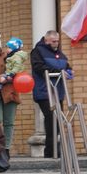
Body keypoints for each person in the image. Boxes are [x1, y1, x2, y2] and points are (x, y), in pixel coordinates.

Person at [31, 30, 73, 158]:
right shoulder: (38, 51)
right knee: (51, 119)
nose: (56, 43)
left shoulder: (59, 54)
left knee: (58, 120)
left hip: (57, 92)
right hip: (44, 91)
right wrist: (59, 71)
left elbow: (66, 65)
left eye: (57, 41)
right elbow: (38, 67)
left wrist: (69, 71)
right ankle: (50, 151)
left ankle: (55, 150)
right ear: (46, 40)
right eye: (53, 41)